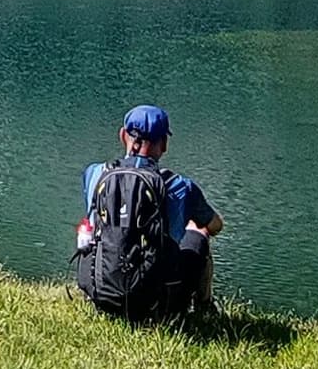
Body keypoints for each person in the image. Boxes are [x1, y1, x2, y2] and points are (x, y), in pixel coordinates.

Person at [76, 103, 220, 324]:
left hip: (101, 295)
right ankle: (204, 307)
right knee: (198, 234)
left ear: (123, 135)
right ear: (164, 144)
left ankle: (99, 295)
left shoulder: (95, 173)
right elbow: (215, 226)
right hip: (154, 302)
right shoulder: (179, 186)